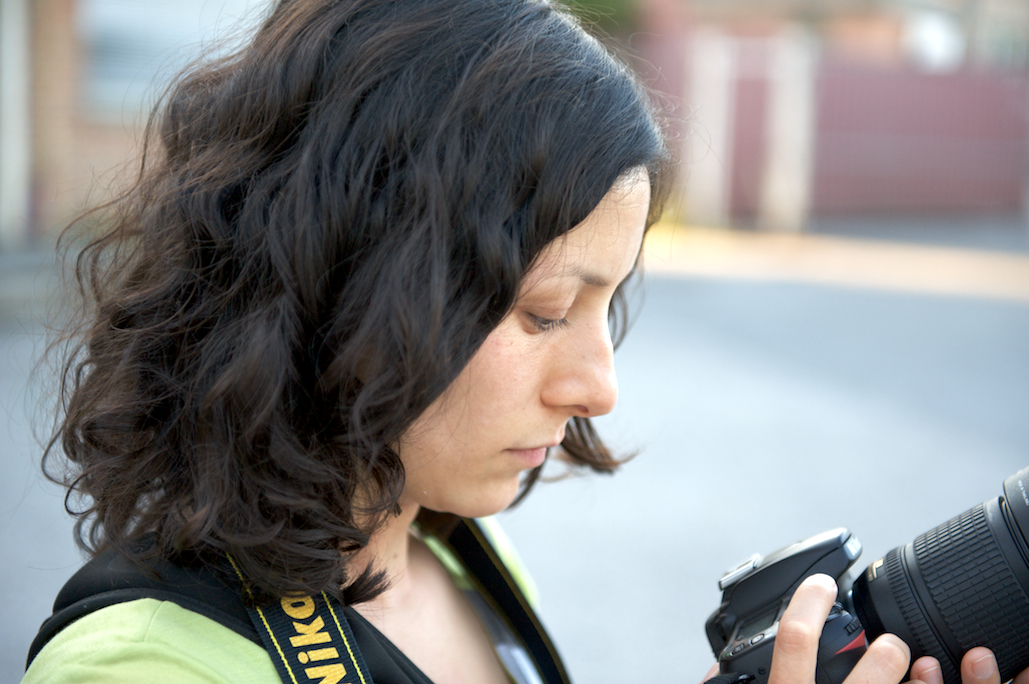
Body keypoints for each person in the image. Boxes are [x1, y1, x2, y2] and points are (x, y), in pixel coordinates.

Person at [22, 0, 1024, 683]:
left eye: (606, 305)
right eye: (545, 310)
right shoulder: (145, 666)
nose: (599, 387)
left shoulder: (460, 559)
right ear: (350, 282)